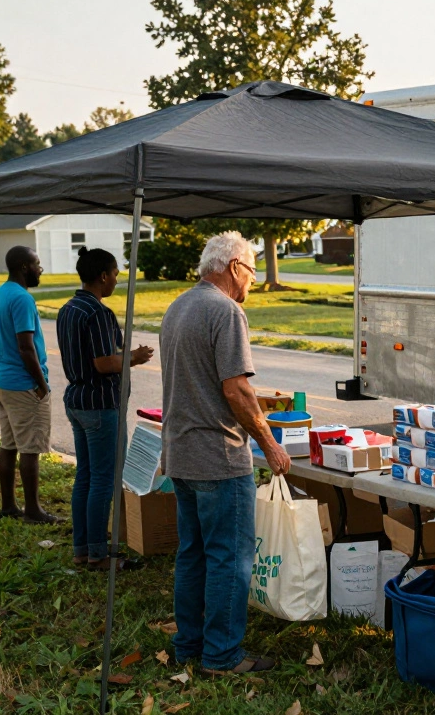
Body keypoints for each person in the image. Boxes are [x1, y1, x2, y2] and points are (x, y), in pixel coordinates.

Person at [160, 232, 292, 675]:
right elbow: (235, 388)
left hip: (181, 452)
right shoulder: (226, 310)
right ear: (235, 267)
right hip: (218, 455)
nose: (252, 283)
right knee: (230, 559)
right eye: (252, 273)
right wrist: (269, 444)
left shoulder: (178, 306)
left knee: (192, 554)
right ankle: (221, 656)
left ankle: (189, 646)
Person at [56, 247, 154, 571]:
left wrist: (124, 352)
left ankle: (82, 549)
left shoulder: (68, 308)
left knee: (85, 476)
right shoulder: (98, 312)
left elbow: (99, 351)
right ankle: (100, 554)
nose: (116, 280)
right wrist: (134, 357)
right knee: (103, 480)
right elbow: (103, 363)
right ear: (102, 276)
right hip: (100, 404)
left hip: (77, 401)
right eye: (114, 274)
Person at [0, 245, 58, 523]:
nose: (40, 269)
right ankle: (33, 510)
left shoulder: (0, 293)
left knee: (9, 444)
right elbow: (26, 347)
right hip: (22, 383)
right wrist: (41, 384)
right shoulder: (22, 299)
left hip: (2, 379)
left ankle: (8, 506)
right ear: (24, 267)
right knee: (30, 448)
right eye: (37, 264)